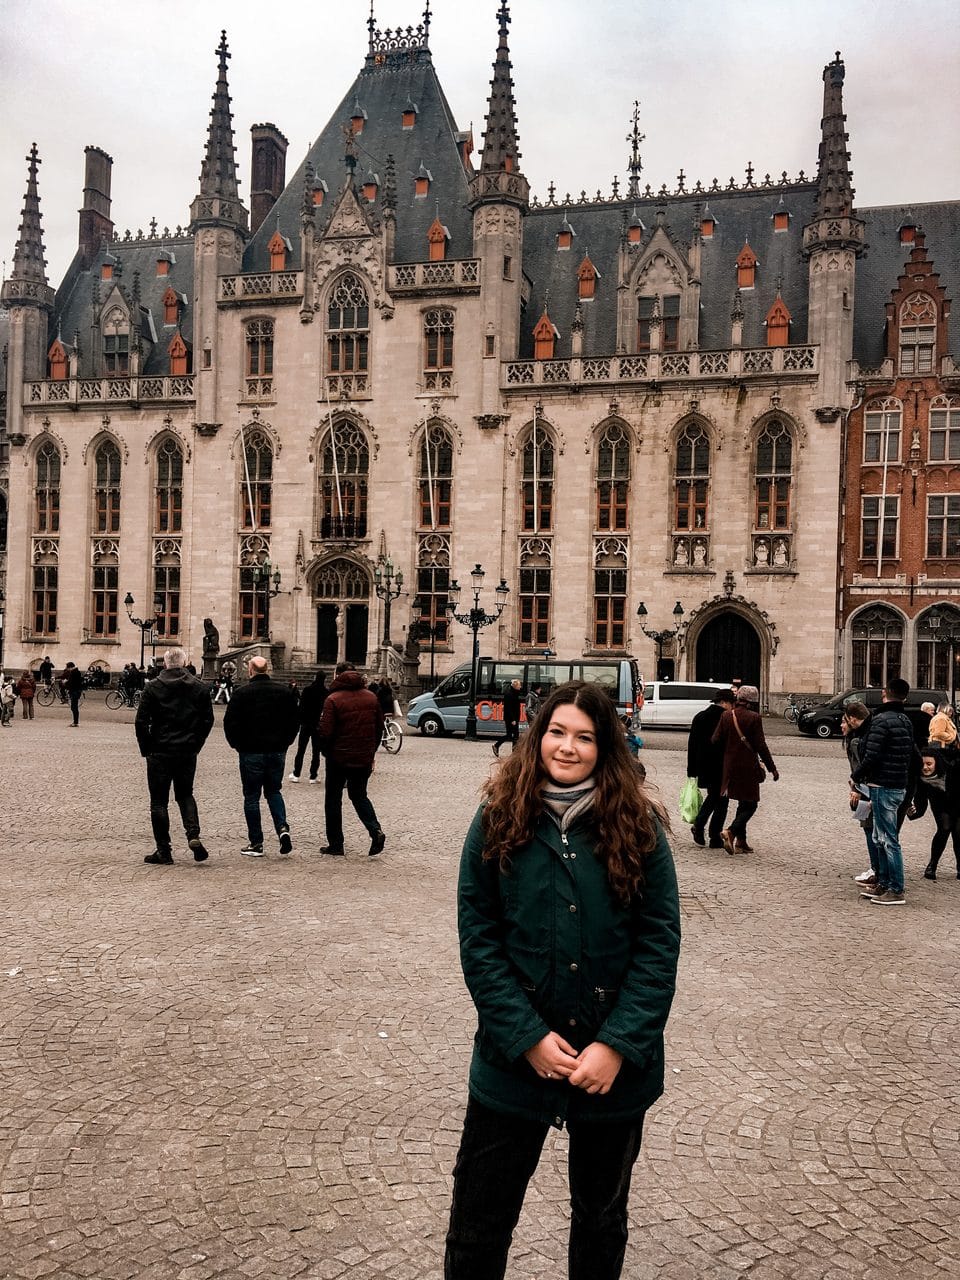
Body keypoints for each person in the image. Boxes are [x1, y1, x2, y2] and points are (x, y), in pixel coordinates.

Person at [444, 681, 681, 1280]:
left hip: (611, 1070)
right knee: (478, 1222)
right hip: (511, 1063)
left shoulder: (639, 825)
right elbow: (479, 936)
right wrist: (525, 1035)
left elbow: (658, 946)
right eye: (556, 732)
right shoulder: (499, 815)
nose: (567, 748)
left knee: (600, 1223)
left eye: (584, 737)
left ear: (606, 748)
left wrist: (617, 1045)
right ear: (536, 735)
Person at [134, 647, 215, 865]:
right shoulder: (199, 687)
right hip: (187, 750)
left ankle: (164, 850)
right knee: (185, 794)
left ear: (165, 664)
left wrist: (147, 748)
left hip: (160, 750)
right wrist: (197, 743)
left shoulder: (153, 687)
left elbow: (141, 721)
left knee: (159, 802)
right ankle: (193, 835)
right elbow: (207, 721)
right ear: (185, 663)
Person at [223, 656, 299, 858]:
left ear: (251, 671)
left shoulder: (241, 694)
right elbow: (294, 721)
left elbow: (229, 723)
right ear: (267, 669)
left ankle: (256, 843)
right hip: (277, 751)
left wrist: (237, 745)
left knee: (251, 796)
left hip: (251, 752)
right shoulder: (284, 692)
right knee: (274, 791)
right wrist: (286, 743)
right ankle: (282, 828)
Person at [850, 676, 916, 905]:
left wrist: (856, 776)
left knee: (888, 839)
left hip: (883, 785)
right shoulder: (905, 720)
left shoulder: (881, 720)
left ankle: (896, 889)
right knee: (881, 837)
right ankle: (885, 883)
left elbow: (871, 755)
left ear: (885, 693)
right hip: (897, 784)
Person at [317, 662, 386, 857]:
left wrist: (326, 752)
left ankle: (336, 844)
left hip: (338, 758)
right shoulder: (371, 697)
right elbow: (380, 728)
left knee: (333, 799)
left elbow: (325, 731)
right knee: (359, 795)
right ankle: (375, 830)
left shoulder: (333, 699)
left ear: (337, 675)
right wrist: (371, 751)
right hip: (363, 757)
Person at [712, 684, 779, 854]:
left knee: (744, 802)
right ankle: (731, 831)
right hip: (747, 767)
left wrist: (728, 752)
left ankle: (741, 841)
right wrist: (772, 768)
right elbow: (761, 746)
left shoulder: (726, 715)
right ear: (753, 702)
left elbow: (715, 740)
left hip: (729, 766)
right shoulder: (754, 717)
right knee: (750, 804)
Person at [686, 688, 736, 848]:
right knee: (720, 799)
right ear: (725, 702)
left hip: (704, 765)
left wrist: (691, 769)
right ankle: (703, 829)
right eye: (731, 703)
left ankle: (712, 835)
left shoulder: (699, 717)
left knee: (716, 797)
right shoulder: (726, 717)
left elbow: (692, 745)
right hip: (721, 765)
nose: (732, 707)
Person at [841, 701, 880, 889]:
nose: (841, 726)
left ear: (852, 721)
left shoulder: (855, 742)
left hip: (865, 792)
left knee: (869, 828)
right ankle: (875, 868)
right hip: (865, 790)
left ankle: (876, 869)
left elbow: (859, 768)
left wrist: (855, 789)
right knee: (868, 828)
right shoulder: (856, 740)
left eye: (844, 722)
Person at [909, 743, 960, 882]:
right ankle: (932, 865)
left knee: (958, 832)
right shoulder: (921, 780)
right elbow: (920, 803)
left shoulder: (951, 769)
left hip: (957, 802)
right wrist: (913, 812)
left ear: (936, 762)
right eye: (923, 764)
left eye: (929, 764)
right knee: (944, 828)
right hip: (940, 806)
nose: (925, 767)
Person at [289, 670, 328, 783]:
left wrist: (300, 721)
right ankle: (313, 776)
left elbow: (301, 707)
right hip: (317, 724)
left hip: (306, 723)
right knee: (316, 751)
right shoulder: (325, 692)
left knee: (301, 749)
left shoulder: (307, 690)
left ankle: (296, 773)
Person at [494, 679, 522, 757]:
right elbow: (508, 708)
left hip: (514, 718)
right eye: (519, 685)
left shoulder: (514, 693)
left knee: (511, 735)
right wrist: (513, 719)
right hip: (511, 719)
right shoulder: (509, 694)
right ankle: (514, 753)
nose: (520, 686)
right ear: (515, 686)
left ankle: (497, 746)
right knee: (514, 735)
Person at [62, 662, 84, 726]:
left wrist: (65, 682)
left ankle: (75, 722)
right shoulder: (77, 672)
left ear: (70, 667)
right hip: (76, 691)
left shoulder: (74, 672)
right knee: (74, 707)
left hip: (74, 691)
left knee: (74, 707)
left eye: (68, 668)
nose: (67, 669)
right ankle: (75, 722)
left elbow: (72, 683)